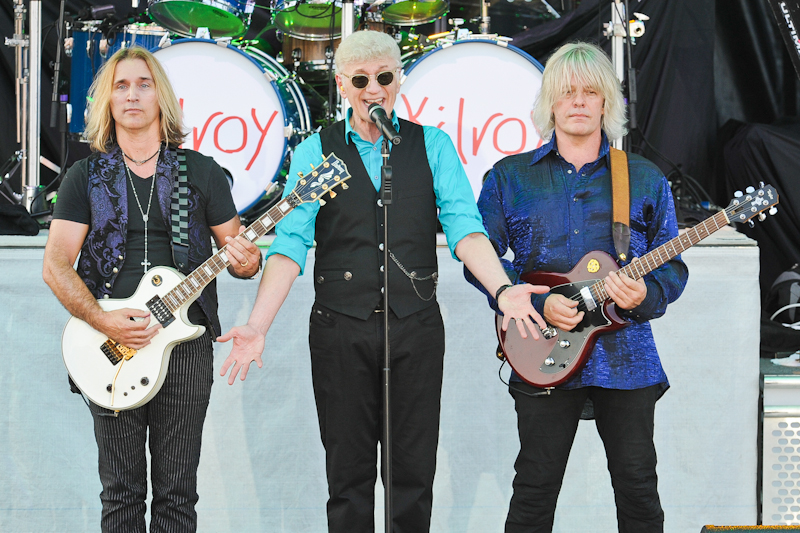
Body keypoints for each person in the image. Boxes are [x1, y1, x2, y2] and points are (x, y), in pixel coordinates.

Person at [217, 30, 547, 532]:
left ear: (399, 81)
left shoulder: (431, 145)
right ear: (341, 84)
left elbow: (465, 229)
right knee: (347, 478)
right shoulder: (314, 153)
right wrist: (258, 325)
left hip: (414, 327)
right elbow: (288, 248)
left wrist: (503, 290)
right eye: (361, 79)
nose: (374, 89)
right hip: (339, 329)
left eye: (385, 78)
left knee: (412, 476)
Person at [465, 42, 689, 532]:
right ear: (550, 103)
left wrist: (645, 297)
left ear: (607, 102)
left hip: (627, 356)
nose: (580, 102)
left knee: (638, 488)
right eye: (568, 93)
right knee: (535, 488)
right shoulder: (509, 177)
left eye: (591, 92)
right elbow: (482, 264)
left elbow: (673, 268)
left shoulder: (644, 178)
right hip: (540, 349)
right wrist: (540, 302)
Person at [42, 46, 262, 531]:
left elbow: (239, 256)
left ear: (160, 97)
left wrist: (249, 260)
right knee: (120, 494)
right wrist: (101, 319)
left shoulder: (200, 171)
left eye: (143, 84)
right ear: (106, 101)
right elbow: (56, 266)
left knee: (178, 493)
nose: (132, 94)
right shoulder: (85, 176)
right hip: (111, 342)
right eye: (120, 86)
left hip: (185, 344)